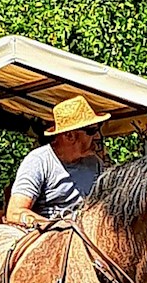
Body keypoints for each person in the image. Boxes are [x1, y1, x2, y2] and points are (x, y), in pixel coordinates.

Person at [7, 90, 121, 227]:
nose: (97, 137)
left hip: (85, 237)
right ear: (69, 136)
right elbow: (15, 213)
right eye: (91, 131)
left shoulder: (95, 163)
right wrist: (57, 227)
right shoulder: (39, 161)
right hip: (48, 240)